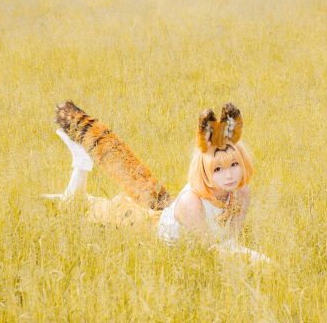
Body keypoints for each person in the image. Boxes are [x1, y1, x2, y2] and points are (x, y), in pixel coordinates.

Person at [42, 101, 270, 262]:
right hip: (146, 227)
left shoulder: (241, 193)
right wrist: (256, 260)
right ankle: (81, 164)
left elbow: (231, 238)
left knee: (100, 198)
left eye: (234, 165)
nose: (229, 175)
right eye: (218, 169)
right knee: (77, 209)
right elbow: (208, 252)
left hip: (168, 210)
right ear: (205, 168)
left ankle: (80, 165)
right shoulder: (191, 201)